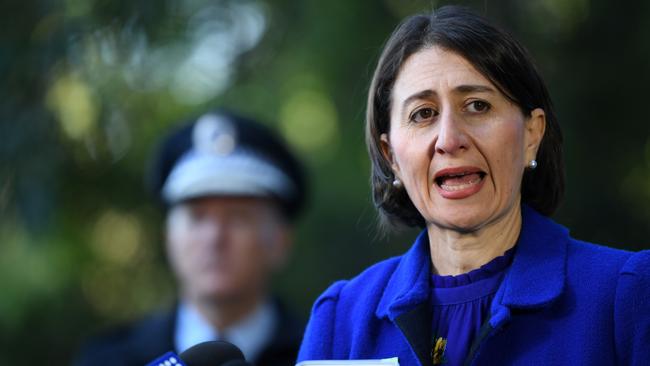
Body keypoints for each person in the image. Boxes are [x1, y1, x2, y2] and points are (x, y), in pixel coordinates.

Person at [297, 6, 650, 366]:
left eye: (477, 106)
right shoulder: (340, 319)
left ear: (532, 134)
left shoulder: (628, 295)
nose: (449, 139)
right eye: (423, 114)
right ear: (391, 157)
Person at [76, 110, 307, 366]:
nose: (215, 237)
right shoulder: (110, 359)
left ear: (280, 241)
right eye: (197, 218)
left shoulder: (323, 353)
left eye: (239, 218)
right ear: (168, 237)